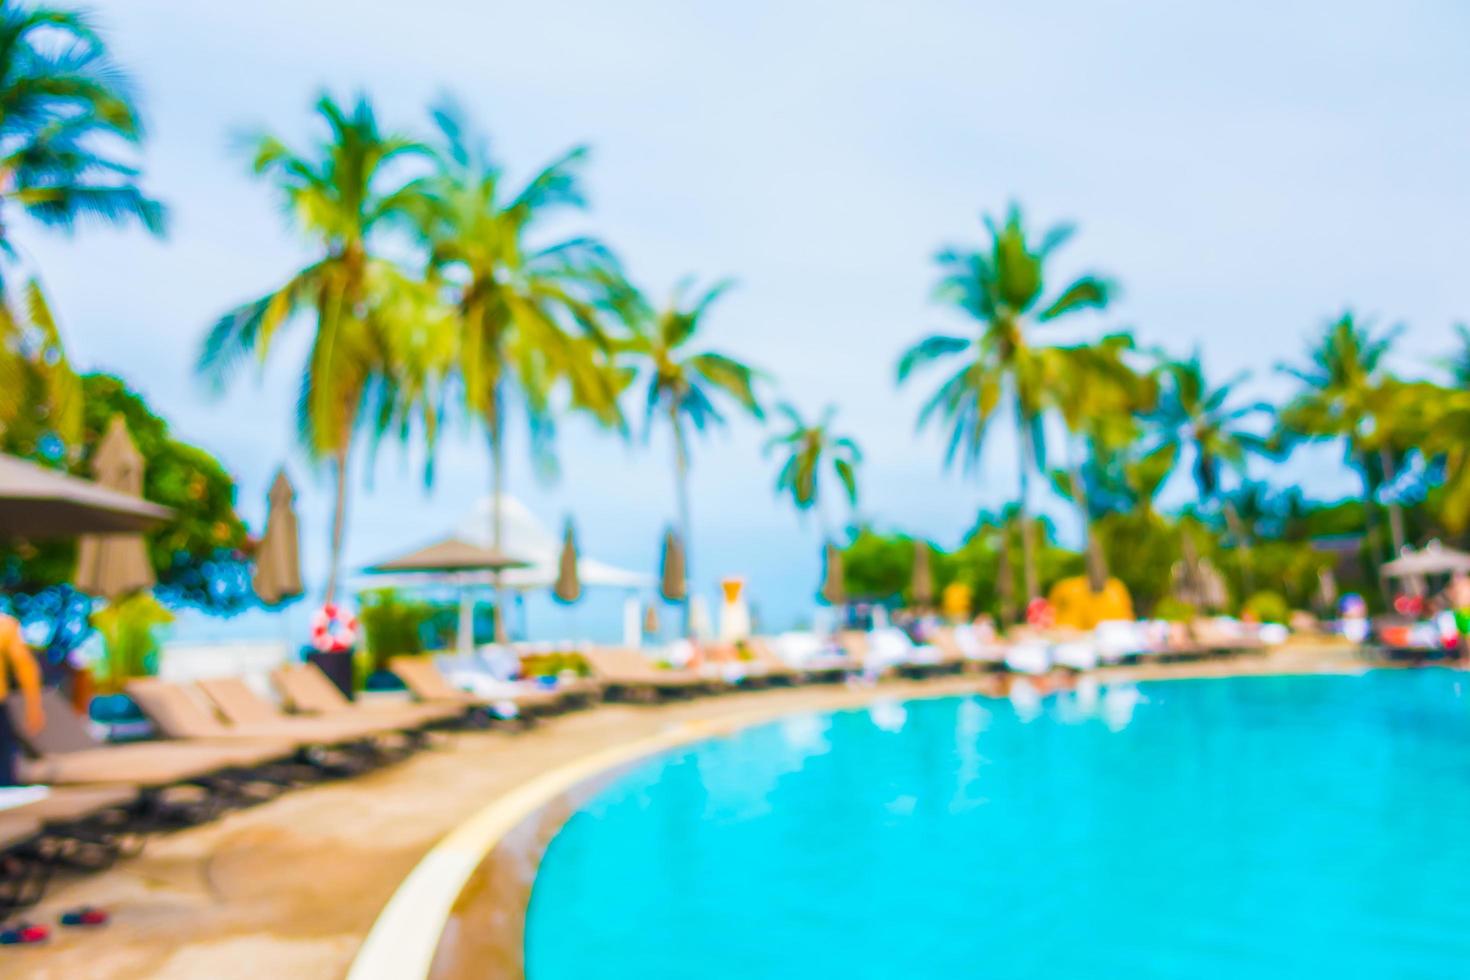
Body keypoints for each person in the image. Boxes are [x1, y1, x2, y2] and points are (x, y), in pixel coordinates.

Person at [0, 612, 44, 786]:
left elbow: (25, 667)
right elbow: (25, 666)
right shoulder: (4, 625)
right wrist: (34, 707)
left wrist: (34, 707)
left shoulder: (5, 626)